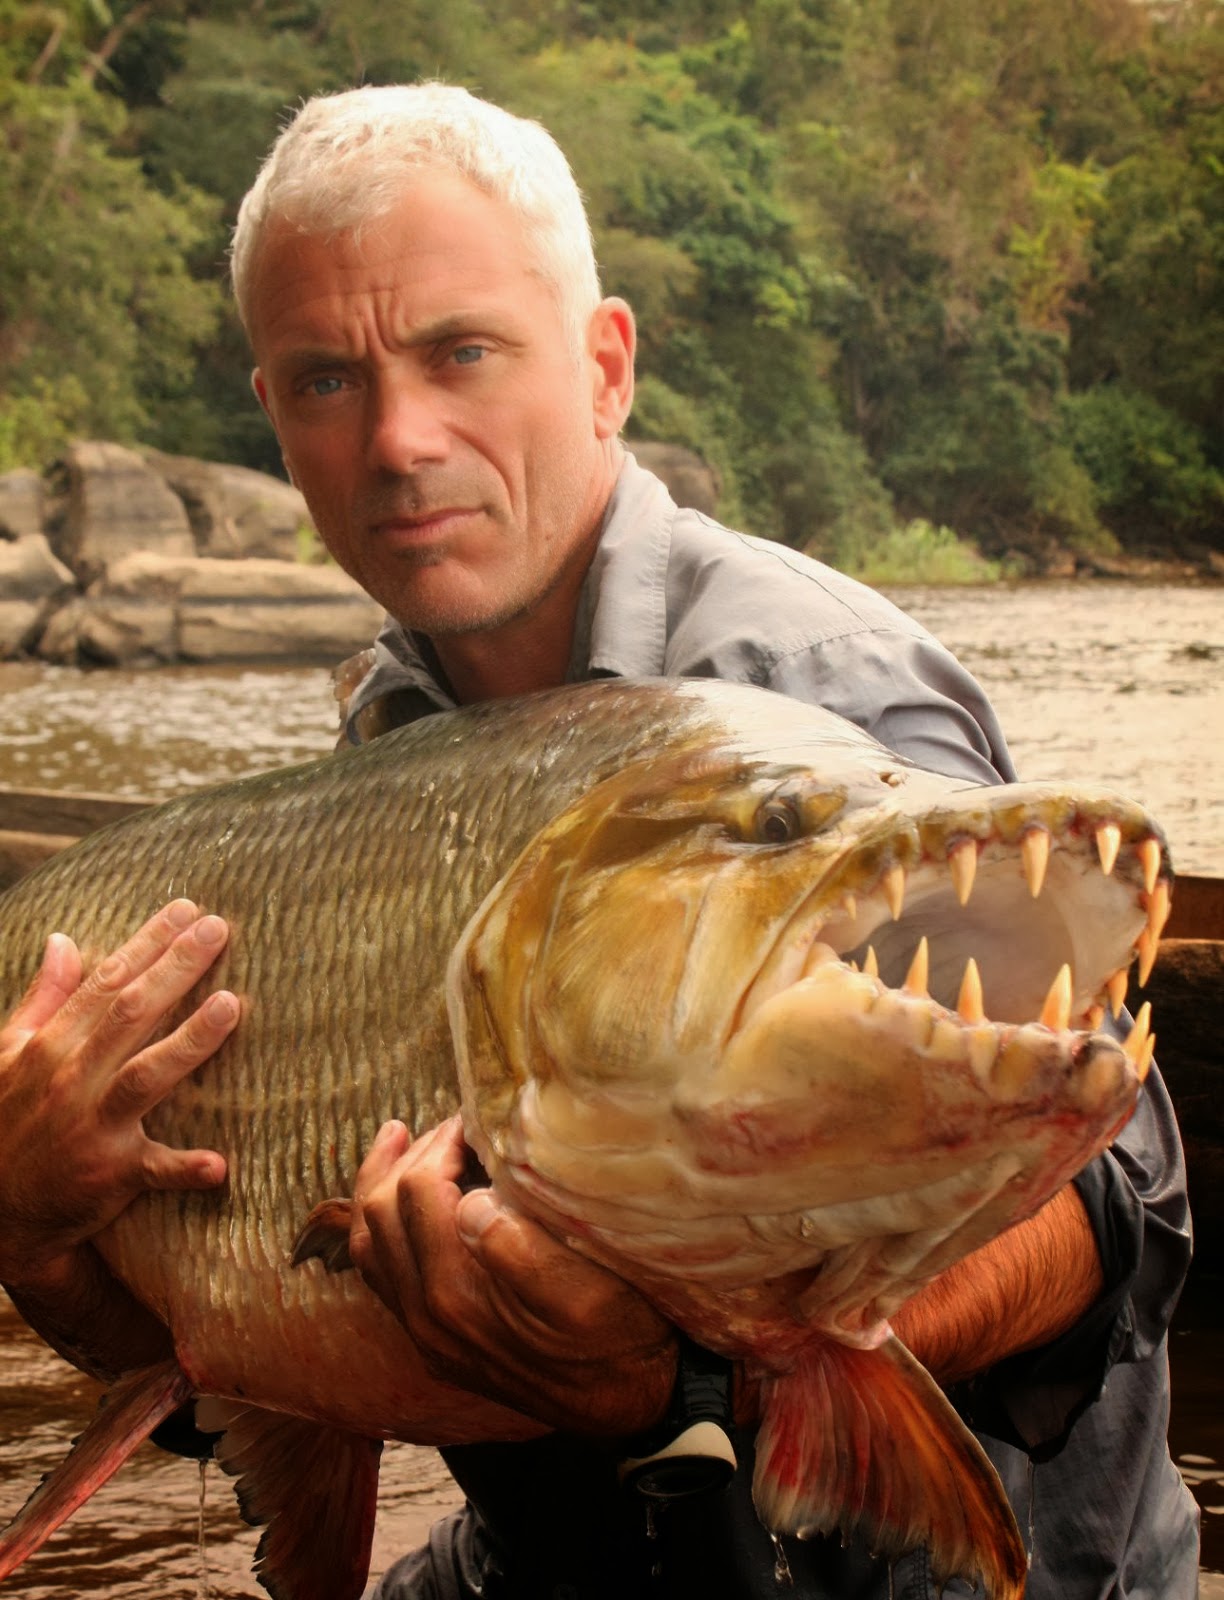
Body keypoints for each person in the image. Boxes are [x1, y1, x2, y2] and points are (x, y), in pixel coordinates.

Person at [0, 83, 1197, 1600]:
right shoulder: (393, 729)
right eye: (325, 380)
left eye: (462, 352)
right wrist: (31, 1231)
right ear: (274, 422)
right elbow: (248, 1333)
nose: (398, 440)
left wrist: (690, 1384)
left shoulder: (811, 691)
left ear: (606, 368)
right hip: (565, 1555)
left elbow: (1116, 1205)